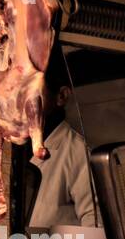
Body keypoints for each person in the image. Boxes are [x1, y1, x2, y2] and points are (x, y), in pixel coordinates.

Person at [27, 46, 98, 229]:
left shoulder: (77, 153)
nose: (25, 101)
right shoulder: (10, 146)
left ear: (61, 96)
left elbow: (95, 227)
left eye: (33, 90)